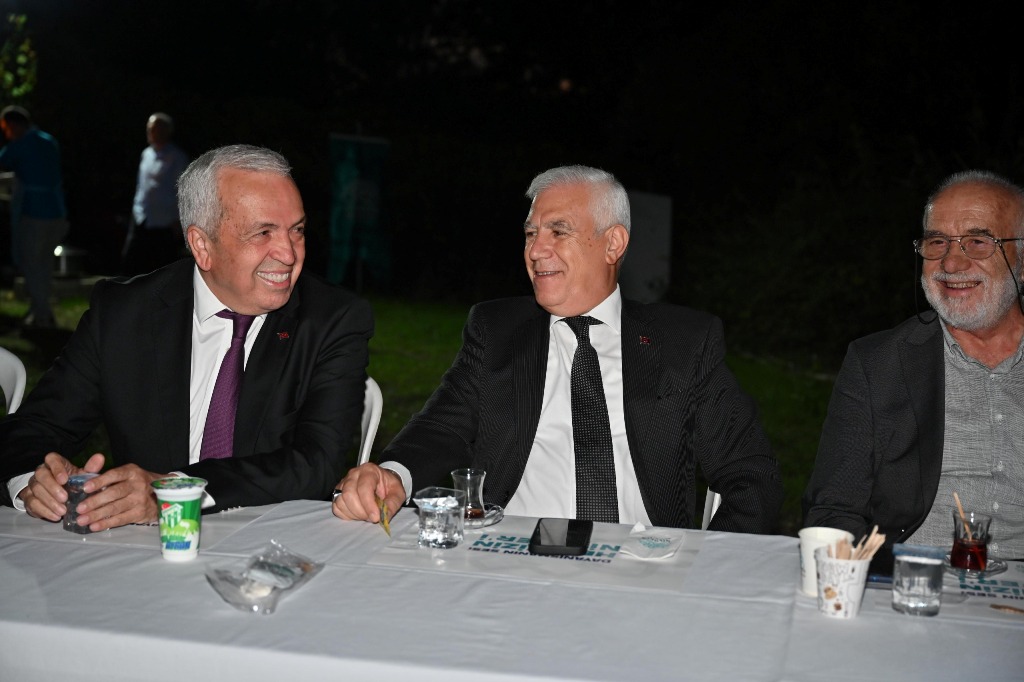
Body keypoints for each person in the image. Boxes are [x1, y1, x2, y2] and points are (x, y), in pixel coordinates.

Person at [333, 165, 782, 532]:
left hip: (641, 566)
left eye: (558, 232)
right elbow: (442, 427)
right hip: (515, 555)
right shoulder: (497, 331)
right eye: (531, 233)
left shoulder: (682, 343)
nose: (536, 250)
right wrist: (393, 474)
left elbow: (751, 472)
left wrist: (709, 564)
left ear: (613, 243)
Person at [0, 144, 374, 531]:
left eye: (297, 230)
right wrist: (34, 482)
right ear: (202, 245)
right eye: (263, 233)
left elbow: (317, 462)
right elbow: (36, 428)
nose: (289, 254)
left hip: (275, 540)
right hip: (144, 550)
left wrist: (174, 492)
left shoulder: (331, 319)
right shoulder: (125, 314)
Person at [803, 169, 1024, 571]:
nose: (951, 261)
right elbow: (834, 509)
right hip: (915, 579)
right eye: (937, 242)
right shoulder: (878, 364)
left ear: (1022, 262)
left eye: (978, 242)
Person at [0, 105, 68, 328]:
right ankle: (39, 308)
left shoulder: (22, 144)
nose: (6, 134)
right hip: (56, 211)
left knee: (31, 264)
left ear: (14, 125)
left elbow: (4, 159)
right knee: (45, 264)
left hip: (35, 213)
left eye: (6, 128)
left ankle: (42, 313)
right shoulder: (49, 141)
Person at [121, 112, 190, 275]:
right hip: (142, 216)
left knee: (162, 266)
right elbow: (142, 185)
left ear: (166, 131)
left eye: (155, 129)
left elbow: (183, 190)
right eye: (149, 129)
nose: (151, 133)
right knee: (132, 262)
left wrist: (179, 219)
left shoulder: (177, 157)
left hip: (165, 221)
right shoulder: (146, 154)